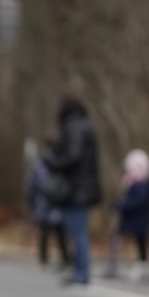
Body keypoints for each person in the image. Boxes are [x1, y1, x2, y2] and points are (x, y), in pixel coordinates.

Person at [43, 97, 102, 285]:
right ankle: (79, 270)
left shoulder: (73, 127)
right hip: (83, 189)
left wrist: (53, 162)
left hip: (75, 190)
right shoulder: (86, 125)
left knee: (77, 233)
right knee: (78, 232)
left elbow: (73, 155)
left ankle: (81, 273)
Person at [103, 149, 149, 280]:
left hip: (138, 219)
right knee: (124, 239)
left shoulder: (143, 184)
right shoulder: (131, 182)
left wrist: (120, 205)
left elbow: (136, 201)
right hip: (132, 218)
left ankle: (143, 265)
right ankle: (114, 264)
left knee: (139, 242)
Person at [27, 134, 70, 270]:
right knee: (60, 233)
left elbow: (32, 186)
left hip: (44, 204)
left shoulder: (40, 166)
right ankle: (65, 259)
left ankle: (44, 259)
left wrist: (32, 203)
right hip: (59, 204)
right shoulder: (63, 162)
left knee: (45, 232)